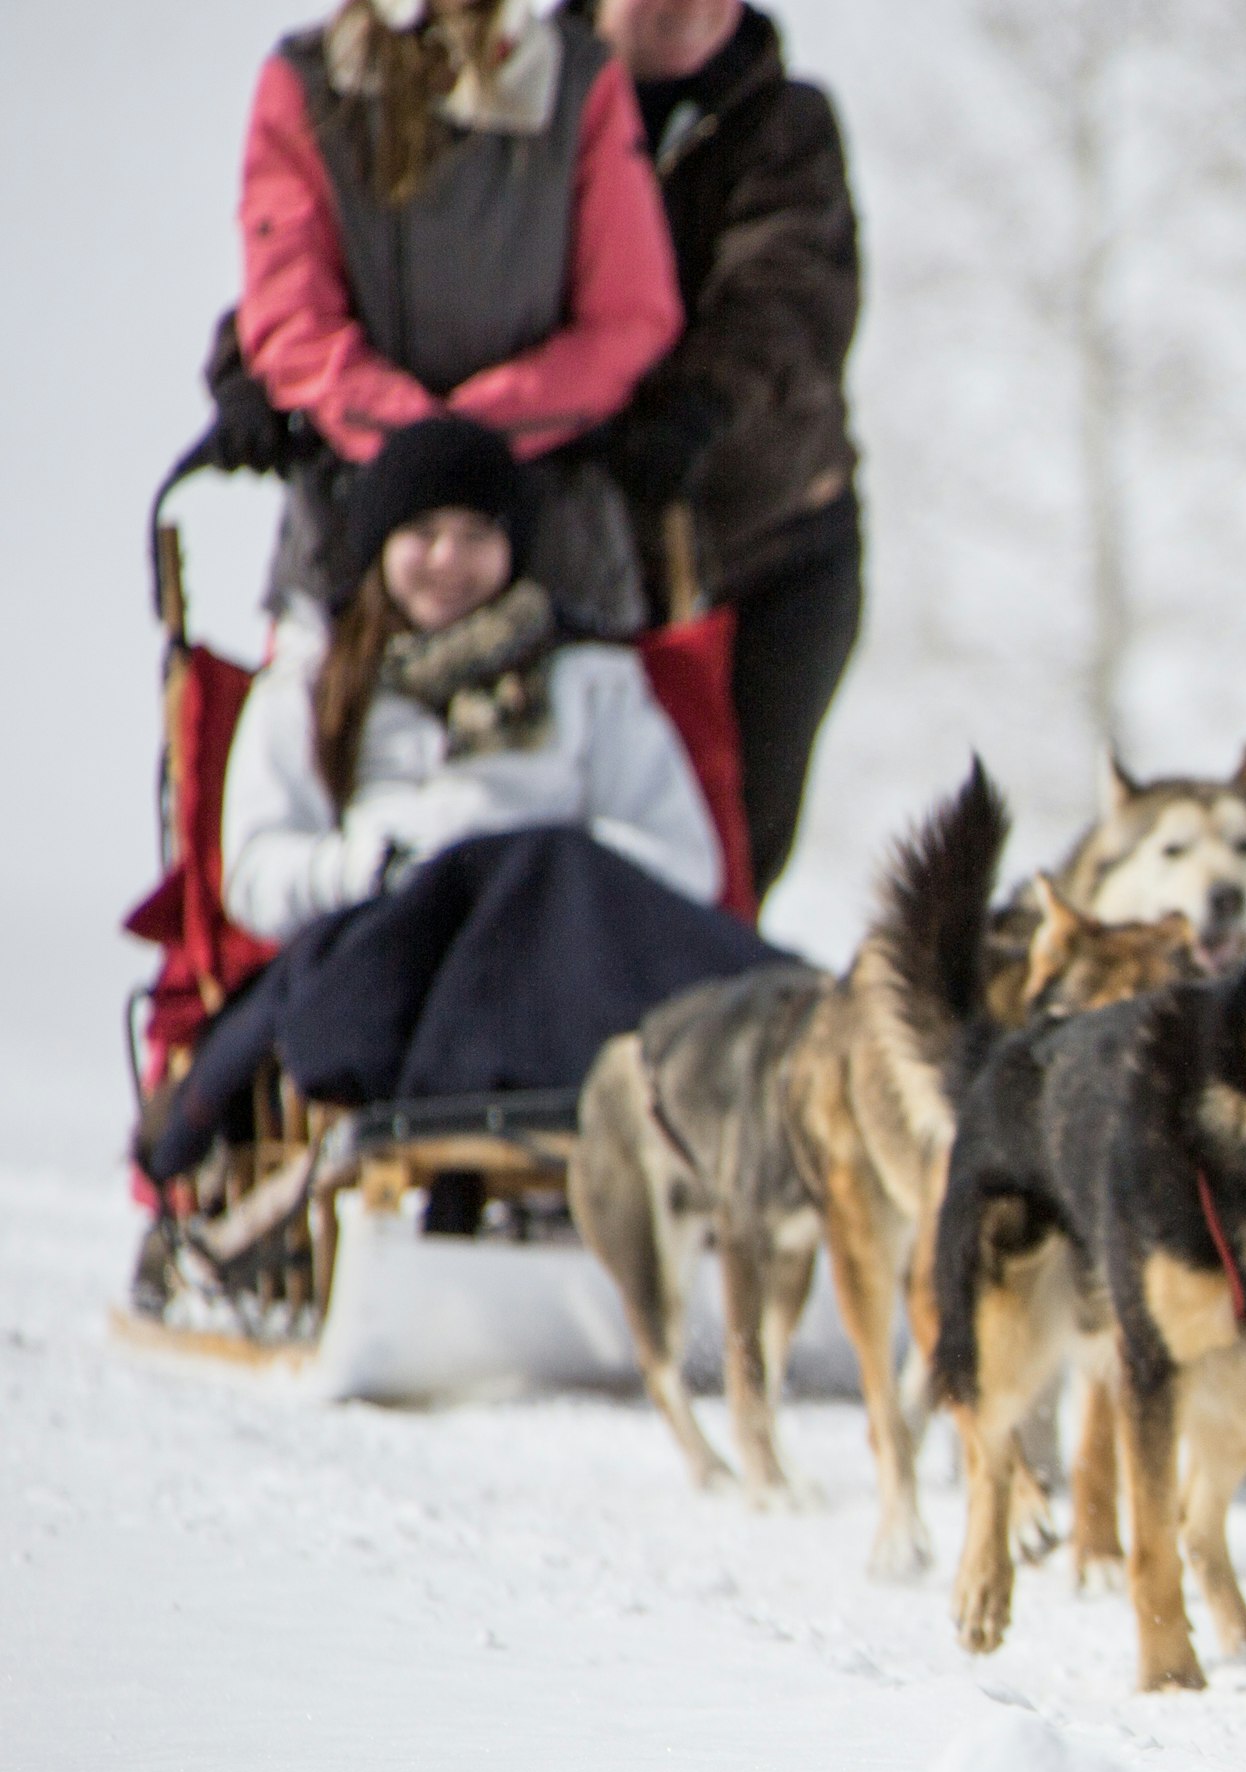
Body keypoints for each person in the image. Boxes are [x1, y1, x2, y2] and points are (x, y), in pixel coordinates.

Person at [146, 417, 781, 1209]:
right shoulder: (313, 690)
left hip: (572, 959)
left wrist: (538, 863)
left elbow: (684, 861)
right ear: (381, 543)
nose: (449, 560)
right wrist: (373, 861)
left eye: (477, 533)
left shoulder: (591, 682)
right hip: (394, 954)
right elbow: (255, 874)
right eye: (423, 532)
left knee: (542, 871)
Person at [231, 0, 680, 635]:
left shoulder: (577, 78)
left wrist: (469, 441)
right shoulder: (309, 81)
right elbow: (289, 317)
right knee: (314, 725)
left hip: (553, 528)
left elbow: (631, 316)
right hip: (352, 527)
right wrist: (417, 446)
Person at [588, 0, 864, 905]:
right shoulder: (519, 117)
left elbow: (787, 292)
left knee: (727, 862)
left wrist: (703, 400)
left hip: (769, 543)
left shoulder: (784, 126)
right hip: (574, 558)